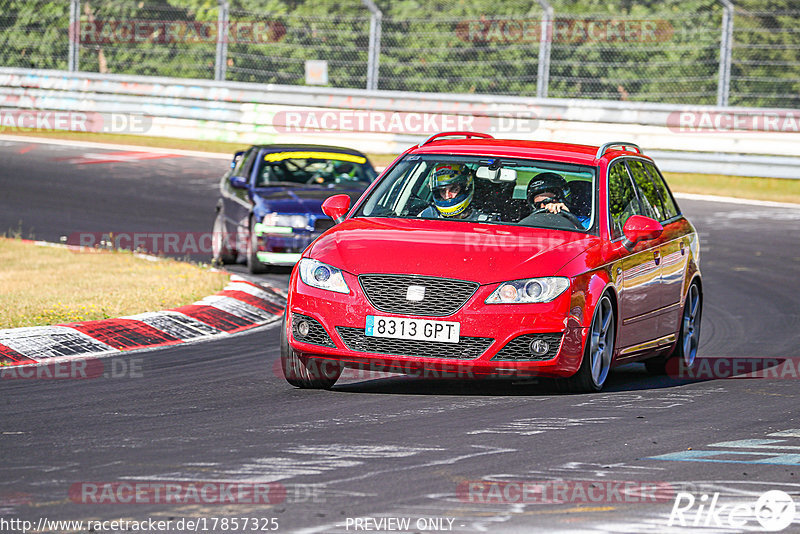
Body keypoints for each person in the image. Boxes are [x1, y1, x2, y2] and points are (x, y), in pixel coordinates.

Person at [419, 163, 493, 221]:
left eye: (454, 189)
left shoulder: (484, 221)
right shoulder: (427, 216)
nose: (447, 196)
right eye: (442, 191)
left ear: (466, 188)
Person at [521, 172, 590, 228]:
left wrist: (570, 219)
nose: (544, 207)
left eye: (548, 201)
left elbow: (590, 240)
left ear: (562, 200)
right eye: (538, 205)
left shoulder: (586, 223)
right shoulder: (527, 224)